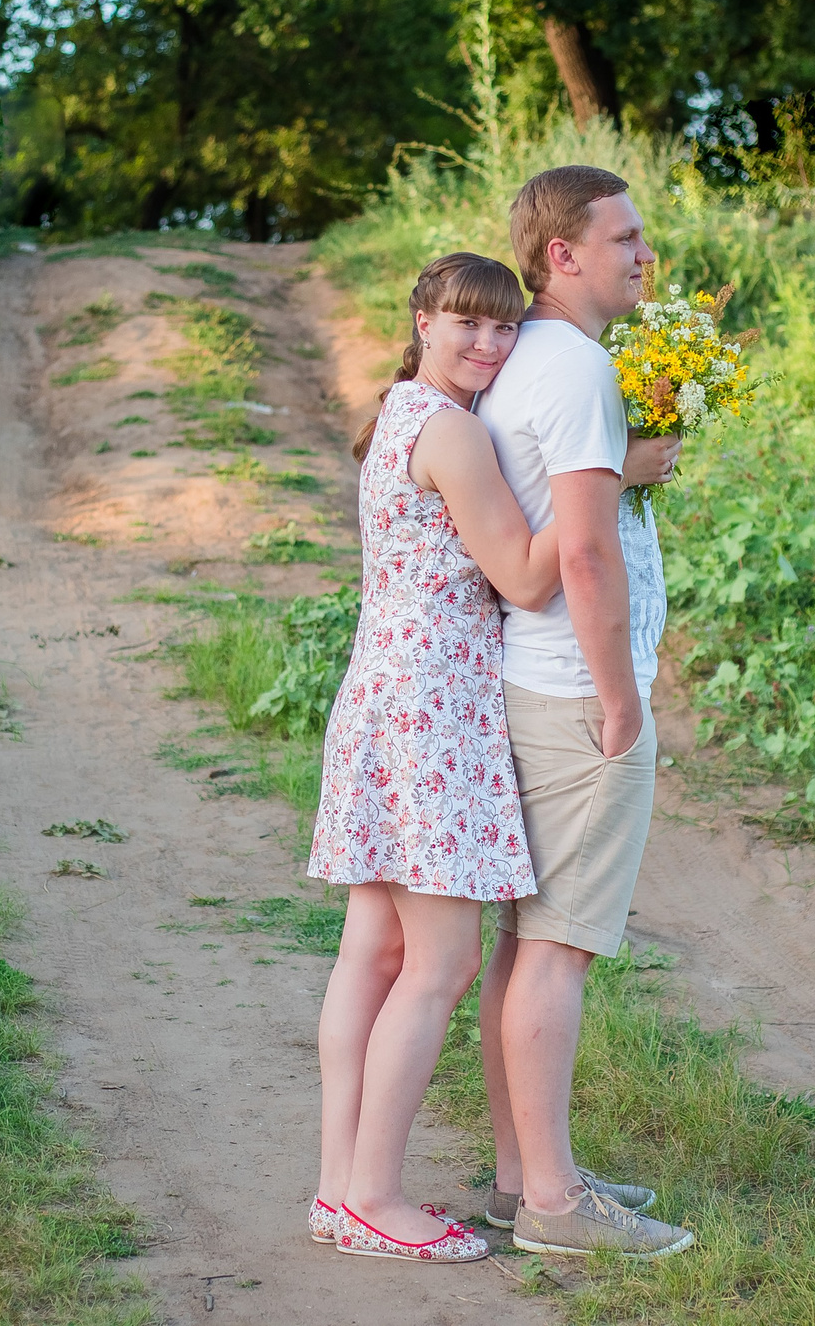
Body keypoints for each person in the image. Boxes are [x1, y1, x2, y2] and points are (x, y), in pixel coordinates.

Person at [305, 251, 670, 1262]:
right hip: (434, 706)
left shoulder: (398, 413)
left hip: (385, 690)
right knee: (439, 960)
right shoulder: (454, 430)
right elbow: (518, 572)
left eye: (502, 327)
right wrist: (602, 476)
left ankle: (340, 1188)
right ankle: (376, 1196)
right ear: (421, 318)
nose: (486, 342)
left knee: (372, 951)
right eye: (464, 322)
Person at [473, 166, 696, 1260]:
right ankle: (558, 1205)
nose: (644, 254)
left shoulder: (545, 358)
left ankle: (527, 1176)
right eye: (626, 237)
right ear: (562, 253)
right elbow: (589, 557)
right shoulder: (574, 371)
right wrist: (621, 697)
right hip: (573, 688)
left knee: (528, 940)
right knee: (557, 946)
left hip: (536, 678)